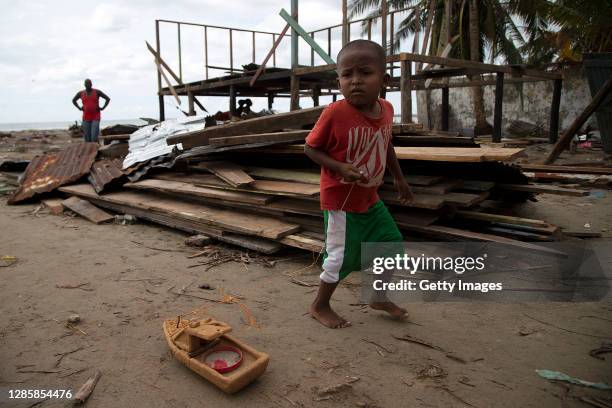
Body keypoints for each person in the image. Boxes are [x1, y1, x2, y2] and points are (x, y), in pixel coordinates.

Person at [305, 39, 414, 329]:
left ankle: (377, 296)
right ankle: (320, 304)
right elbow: (310, 149)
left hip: (370, 197)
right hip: (340, 201)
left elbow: (385, 143)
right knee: (339, 257)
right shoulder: (334, 113)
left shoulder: (387, 109)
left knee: (392, 245)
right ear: (338, 80)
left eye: (365, 73)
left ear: (384, 79)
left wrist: (400, 179)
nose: (355, 81)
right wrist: (340, 167)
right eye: (347, 75)